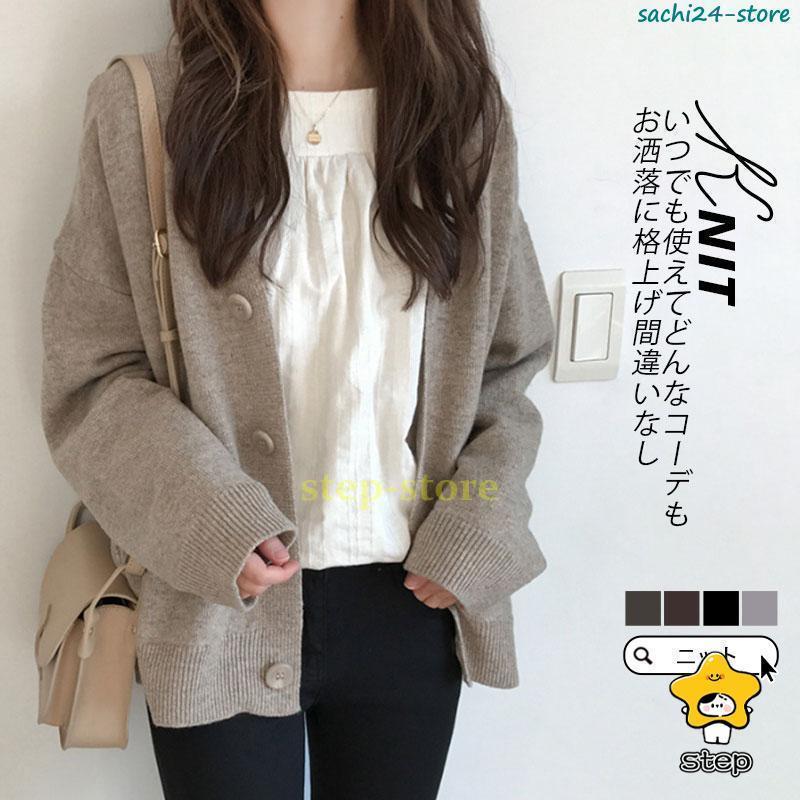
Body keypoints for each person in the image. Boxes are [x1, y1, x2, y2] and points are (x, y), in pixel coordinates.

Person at [39, 1, 555, 797]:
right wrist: (210, 522)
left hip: (413, 599)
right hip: (217, 603)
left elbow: (505, 364)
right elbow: (91, 371)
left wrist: (478, 527)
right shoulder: (144, 109)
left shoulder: (460, 116)